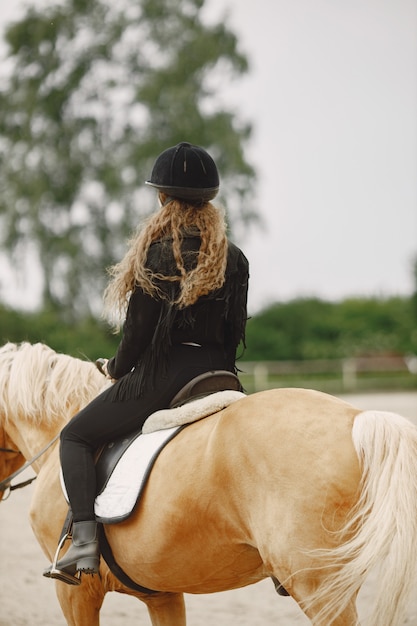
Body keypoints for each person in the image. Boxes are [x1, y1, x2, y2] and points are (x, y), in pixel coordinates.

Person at [44, 141, 249, 584]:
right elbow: (235, 331)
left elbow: (137, 335)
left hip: (164, 375)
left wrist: (116, 369)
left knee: (75, 435)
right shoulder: (234, 257)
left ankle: (83, 540)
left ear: (162, 198)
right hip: (221, 376)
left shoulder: (157, 253)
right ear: (210, 199)